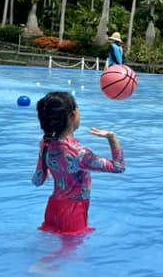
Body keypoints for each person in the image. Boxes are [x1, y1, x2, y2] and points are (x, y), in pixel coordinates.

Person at [32, 91, 125, 235]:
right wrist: (111, 138)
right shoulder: (80, 153)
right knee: (70, 255)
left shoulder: (45, 144)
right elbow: (119, 167)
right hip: (73, 213)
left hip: (53, 209)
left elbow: (38, 180)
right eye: (78, 108)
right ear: (71, 116)